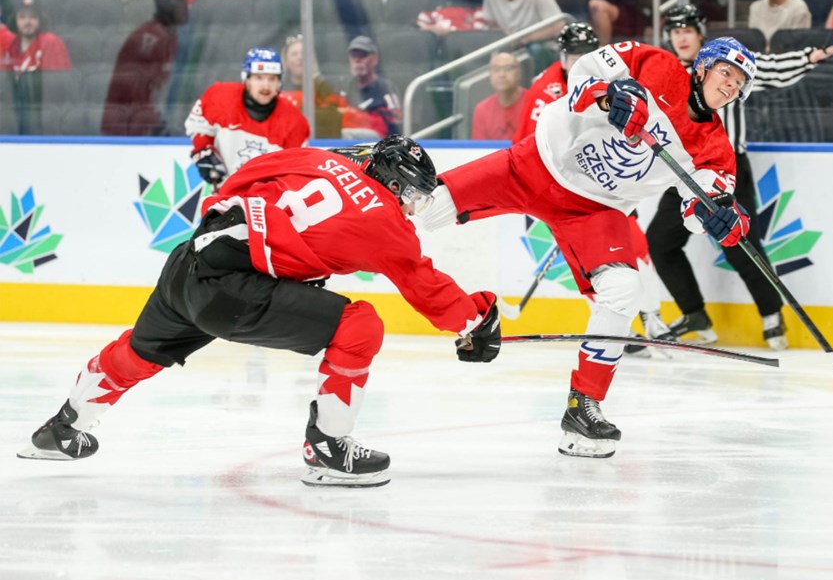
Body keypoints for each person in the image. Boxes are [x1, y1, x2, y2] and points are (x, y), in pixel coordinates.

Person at [18, 136, 502, 488]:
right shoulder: (387, 223)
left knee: (140, 351)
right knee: (361, 325)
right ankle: (330, 448)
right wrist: (475, 321)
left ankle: (60, 429)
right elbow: (425, 286)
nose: (413, 208)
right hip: (234, 289)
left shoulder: (320, 158)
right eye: (413, 196)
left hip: (193, 257)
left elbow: (253, 172)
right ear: (395, 184)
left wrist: (233, 220)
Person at [419, 36, 758, 458]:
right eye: (727, 72)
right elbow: (582, 73)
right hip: (537, 163)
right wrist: (606, 95)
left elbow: (700, 208)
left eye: (740, 82)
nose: (731, 85)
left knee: (623, 289)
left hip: (595, 211)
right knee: (426, 208)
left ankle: (584, 408)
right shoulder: (654, 62)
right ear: (703, 67)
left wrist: (723, 219)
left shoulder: (715, 151)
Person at [642, 4, 833, 350]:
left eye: (687, 30)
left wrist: (811, 56)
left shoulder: (727, 63)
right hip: (684, 172)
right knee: (660, 242)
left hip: (726, 167)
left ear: (700, 33)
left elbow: (771, 69)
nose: (681, 37)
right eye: (675, 32)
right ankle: (695, 314)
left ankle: (772, 316)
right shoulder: (671, 70)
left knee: (739, 243)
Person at [185, 48, 310, 187]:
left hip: (268, 199)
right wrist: (203, 151)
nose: (266, 85)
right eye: (259, 78)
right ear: (247, 79)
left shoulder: (294, 121)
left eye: (272, 79)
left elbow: (294, 167)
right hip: (225, 193)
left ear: (279, 82)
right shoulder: (221, 98)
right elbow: (198, 126)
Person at [101, 0, 188, 136]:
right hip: (127, 121)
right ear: (168, 7)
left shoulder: (167, 35)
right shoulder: (154, 36)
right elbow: (135, 87)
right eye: (180, 2)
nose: (186, 8)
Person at [512, 21, 598, 143]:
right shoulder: (545, 91)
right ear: (563, 60)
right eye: (575, 60)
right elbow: (530, 144)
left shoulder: (606, 76)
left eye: (587, 60)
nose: (581, 67)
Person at [279, 34, 347, 138]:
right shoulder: (278, 87)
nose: (300, 57)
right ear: (285, 61)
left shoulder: (324, 87)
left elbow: (335, 117)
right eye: (294, 54)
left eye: (304, 53)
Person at [342, 35, 403, 138]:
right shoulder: (344, 87)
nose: (357, 60)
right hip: (348, 134)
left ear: (375, 59)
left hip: (378, 139)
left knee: (345, 134)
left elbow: (397, 121)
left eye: (363, 56)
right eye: (354, 56)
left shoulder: (386, 87)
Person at [0, 0, 72, 75]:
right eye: (22, 17)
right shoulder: (12, 46)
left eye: (33, 17)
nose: (27, 22)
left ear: (40, 20)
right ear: (15, 20)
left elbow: (56, 80)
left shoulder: (50, 42)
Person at [471, 51, 527, 139]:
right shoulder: (482, 109)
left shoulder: (534, 102)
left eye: (508, 69)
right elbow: (479, 149)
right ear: (490, 75)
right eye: (496, 69)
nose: (502, 75)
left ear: (519, 73)